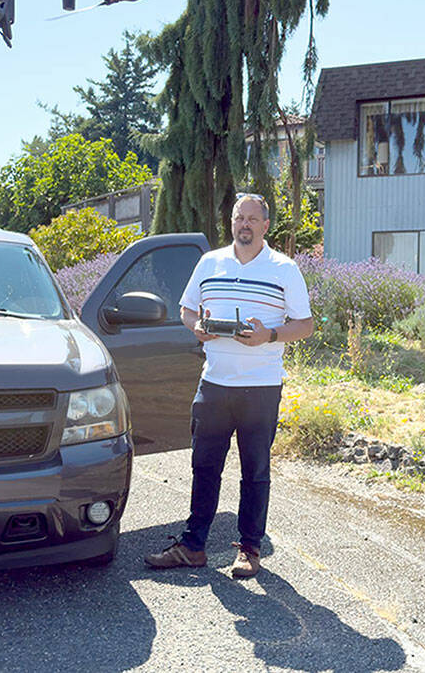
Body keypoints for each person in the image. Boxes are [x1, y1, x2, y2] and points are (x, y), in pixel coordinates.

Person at [144, 193, 314, 579]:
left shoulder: (284, 269)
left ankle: (250, 549)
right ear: (232, 222)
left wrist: (269, 334)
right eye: (240, 218)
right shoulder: (210, 263)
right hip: (214, 384)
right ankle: (193, 547)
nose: (246, 225)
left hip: (261, 387)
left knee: (255, 471)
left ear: (266, 226)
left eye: (253, 219)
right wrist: (197, 327)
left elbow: (305, 325)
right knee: (204, 467)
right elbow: (187, 310)